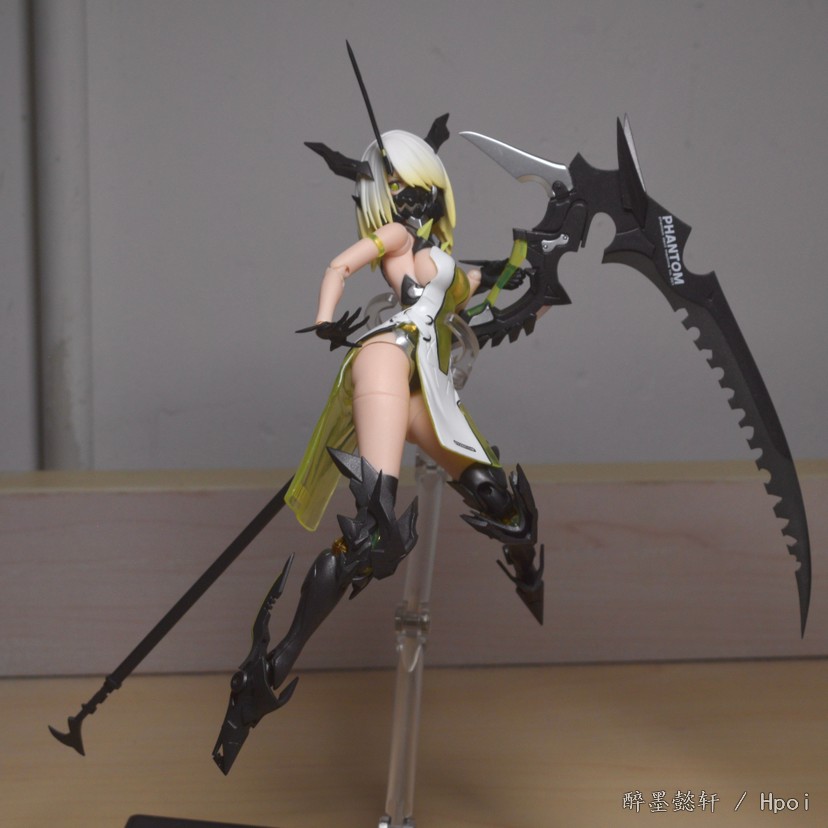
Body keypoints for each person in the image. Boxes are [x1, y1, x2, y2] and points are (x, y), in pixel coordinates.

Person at [213, 121, 544, 775]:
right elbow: (340, 265)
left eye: (414, 183)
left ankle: (529, 571)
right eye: (394, 184)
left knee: (503, 502)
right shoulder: (393, 235)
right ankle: (269, 669)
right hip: (387, 363)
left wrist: (538, 268)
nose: (407, 194)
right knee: (376, 533)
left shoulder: (442, 258)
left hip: (428, 387)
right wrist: (325, 318)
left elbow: (486, 285)